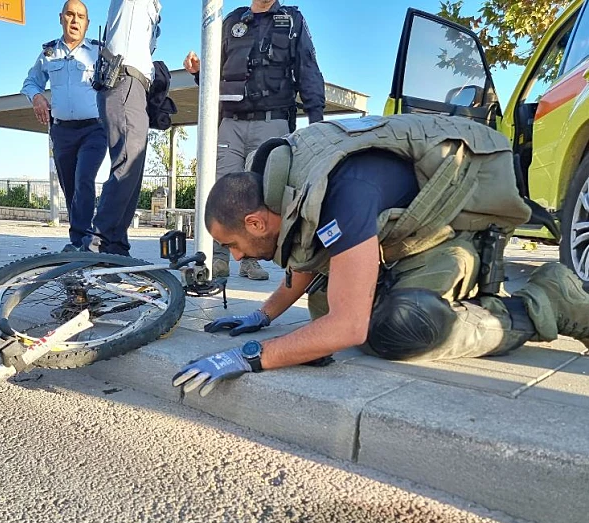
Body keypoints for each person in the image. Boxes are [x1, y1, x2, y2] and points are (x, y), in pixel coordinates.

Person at [173, 113, 589, 397]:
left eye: (230, 244)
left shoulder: (342, 192)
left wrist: (250, 357)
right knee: (323, 306)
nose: (233, 253)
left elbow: (348, 328)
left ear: (256, 223)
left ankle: (547, 300)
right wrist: (262, 315)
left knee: (398, 328)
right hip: (408, 241)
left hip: (454, 243)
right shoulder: (287, 184)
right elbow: (310, 256)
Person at [183, 0, 325, 280]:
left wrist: (317, 121)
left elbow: (308, 68)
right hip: (231, 122)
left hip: (272, 121)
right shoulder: (232, 21)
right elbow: (215, 74)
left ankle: (251, 259)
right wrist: (199, 71)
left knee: (261, 194)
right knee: (220, 189)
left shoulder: (292, 20)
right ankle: (217, 255)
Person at [20, 0, 106, 252]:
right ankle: (79, 238)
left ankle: (84, 239)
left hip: (94, 129)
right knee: (70, 186)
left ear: (87, 23)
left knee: (84, 178)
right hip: (62, 131)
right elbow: (31, 82)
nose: (75, 20)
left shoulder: (98, 51)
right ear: (61, 18)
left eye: (80, 16)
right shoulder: (49, 53)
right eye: (70, 14)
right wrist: (36, 97)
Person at [87, 0, 162, 256]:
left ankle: (116, 248)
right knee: (128, 163)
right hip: (123, 79)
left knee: (133, 168)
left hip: (135, 85)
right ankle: (98, 245)